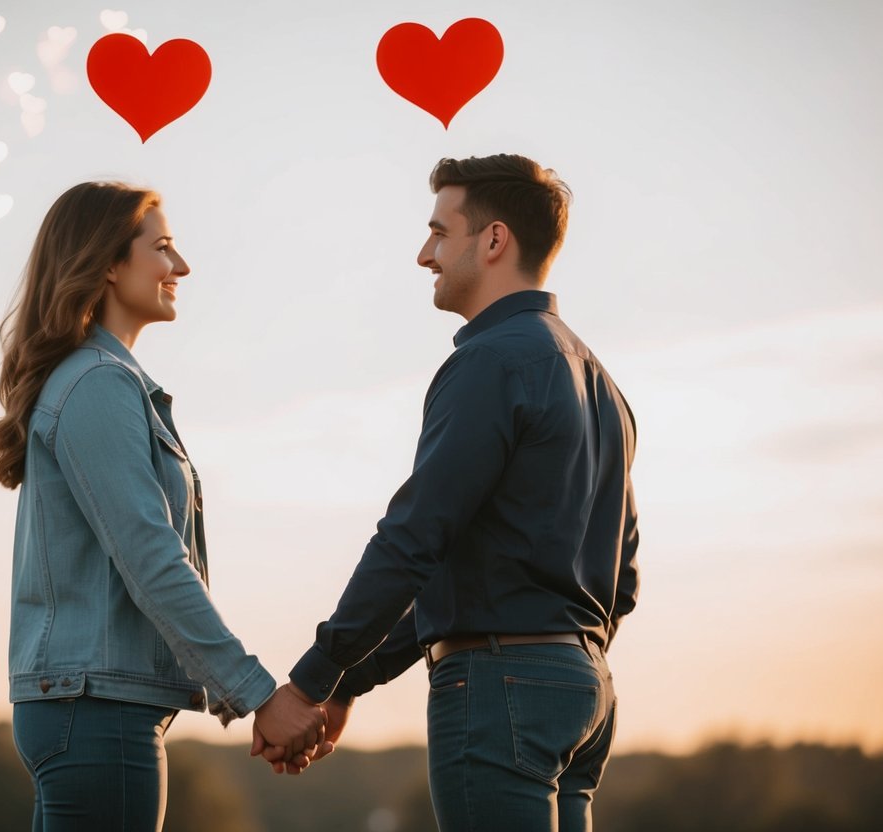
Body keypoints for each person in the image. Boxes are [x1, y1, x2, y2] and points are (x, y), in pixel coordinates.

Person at [271, 154, 640, 831]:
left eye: (440, 232)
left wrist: (313, 680)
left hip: (500, 690)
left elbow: (416, 538)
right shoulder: (603, 385)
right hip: (585, 691)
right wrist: (352, 677)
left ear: (493, 239)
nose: (424, 254)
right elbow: (622, 576)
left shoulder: (489, 362)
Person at [0, 181, 326, 831]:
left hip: (88, 706)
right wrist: (258, 694)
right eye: (163, 247)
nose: (182, 266)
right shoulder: (98, 383)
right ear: (108, 264)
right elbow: (151, 558)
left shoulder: (97, 381)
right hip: (98, 711)